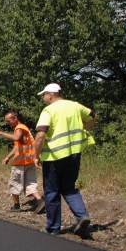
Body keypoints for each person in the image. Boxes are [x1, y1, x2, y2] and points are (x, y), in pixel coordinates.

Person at [33, 83, 97, 237]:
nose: (43, 98)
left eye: (44, 95)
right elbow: (94, 116)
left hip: (54, 157)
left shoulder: (49, 110)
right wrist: (83, 128)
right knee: (69, 188)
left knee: (52, 191)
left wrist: (36, 155)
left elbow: (41, 135)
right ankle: (82, 216)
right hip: (74, 154)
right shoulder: (75, 106)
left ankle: (53, 227)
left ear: (50, 94)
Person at [0, 110, 46, 213]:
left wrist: (1, 133)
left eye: (9, 121)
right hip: (31, 161)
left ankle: (16, 206)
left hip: (21, 163)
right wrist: (8, 157)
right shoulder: (24, 128)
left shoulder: (19, 128)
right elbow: (18, 146)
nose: (8, 123)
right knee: (30, 183)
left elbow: (16, 138)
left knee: (14, 183)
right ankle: (40, 201)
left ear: (15, 118)